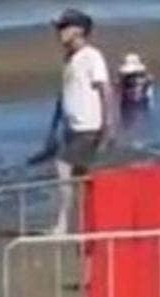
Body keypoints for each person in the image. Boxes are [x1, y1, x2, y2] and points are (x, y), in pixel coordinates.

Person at [48, 8, 112, 236]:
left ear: (79, 31)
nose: (59, 32)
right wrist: (53, 129)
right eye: (59, 28)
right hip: (72, 127)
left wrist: (108, 125)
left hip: (89, 127)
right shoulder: (70, 59)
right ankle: (94, 220)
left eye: (64, 27)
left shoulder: (91, 56)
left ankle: (63, 224)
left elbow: (105, 90)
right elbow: (63, 95)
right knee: (84, 177)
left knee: (63, 167)